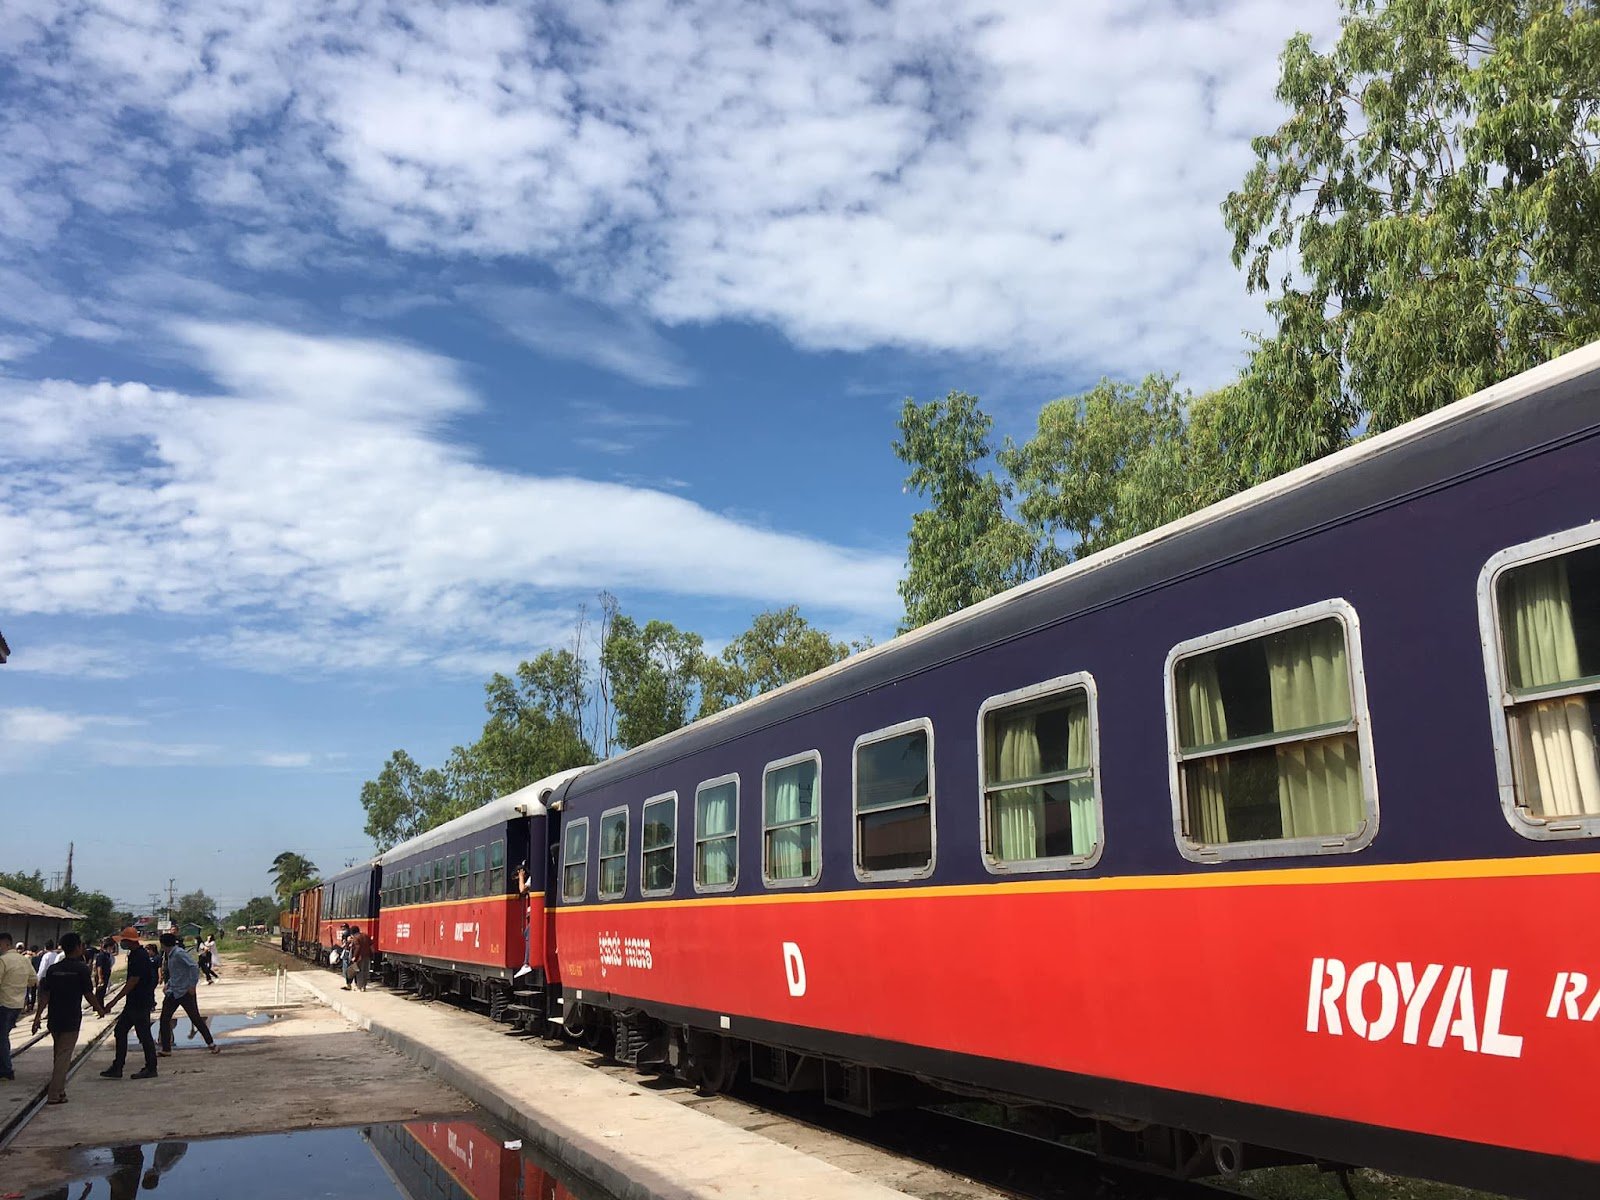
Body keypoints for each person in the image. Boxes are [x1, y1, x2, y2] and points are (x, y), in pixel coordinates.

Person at [32, 932, 107, 1104]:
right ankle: (54, 1094)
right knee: (64, 1057)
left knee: (59, 1054)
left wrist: (37, 1018)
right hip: (71, 1018)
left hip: (54, 1018)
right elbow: (88, 993)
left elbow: (45, 996)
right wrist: (99, 1009)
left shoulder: (54, 969)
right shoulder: (81, 969)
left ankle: (61, 1091)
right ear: (78, 947)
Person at [102, 928, 159, 1080]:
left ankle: (151, 1067)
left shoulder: (139, 956)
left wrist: (114, 1001)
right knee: (120, 1031)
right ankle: (117, 1067)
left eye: (124, 941)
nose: (122, 943)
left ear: (130, 941)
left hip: (139, 1002)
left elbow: (133, 981)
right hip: (134, 1001)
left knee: (143, 1034)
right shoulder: (135, 954)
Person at [156, 932, 217, 1056]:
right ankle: (166, 1049)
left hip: (185, 992)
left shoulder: (178, 953)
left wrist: (192, 985)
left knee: (196, 1018)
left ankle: (211, 1044)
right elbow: (177, 972)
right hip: (174, 991)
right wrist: (169, 984)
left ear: (163, 944)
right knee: (164, 1019)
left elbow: (193, 966)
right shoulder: (170, 955)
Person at [0, 932, 35, 1081]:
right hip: (18, 1005)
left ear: (6, 944)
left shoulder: (3, 960)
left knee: (2, 1038)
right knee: (4, 1036)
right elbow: (33, 980)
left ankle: (6, 1070)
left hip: (3, 1003)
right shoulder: (24, 960)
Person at [92, 938, 115, 1008]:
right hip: (101, 976)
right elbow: (99, 967)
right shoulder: (101, 955)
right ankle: (97, 1008)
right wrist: (100, 978)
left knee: (102, 992)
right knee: (99, 993)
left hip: (106, 975)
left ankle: (101, 1006)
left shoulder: (107, 955)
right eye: (112, 946)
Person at [350, 925, 373, 992]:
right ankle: (364, 986)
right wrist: (372, 954)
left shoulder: (356, 938)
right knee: (365, 972)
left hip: (359, 957)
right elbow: (371, 946)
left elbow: (358, 947)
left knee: (359, 972)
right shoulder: (366, 936)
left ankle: (359, 987)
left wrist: (354, 957)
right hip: (367, 956)